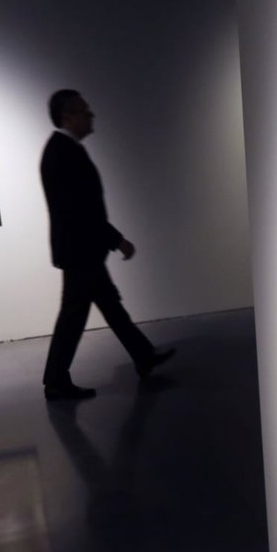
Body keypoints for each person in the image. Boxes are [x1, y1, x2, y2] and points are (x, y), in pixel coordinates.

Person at [40, 89, 174, 400]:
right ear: (67, 116)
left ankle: (143, 356)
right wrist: (117, 240)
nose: (91, 115)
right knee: (74, 315)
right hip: (80, 251)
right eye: (84, 110)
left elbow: (81, 209)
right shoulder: (64, 152)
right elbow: (81, 210)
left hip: (80, 249)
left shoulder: (63, 150)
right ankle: (56, 381)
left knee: (109, 305)